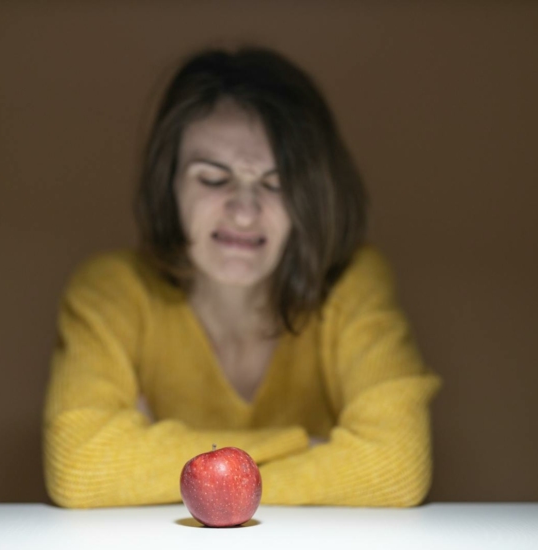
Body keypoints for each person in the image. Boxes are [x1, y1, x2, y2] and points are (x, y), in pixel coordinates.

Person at [43, 47, 441, 509]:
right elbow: (81, 466)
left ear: (310, 197)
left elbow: (395, 469)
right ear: (167, 183)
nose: (245, 211)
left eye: (276, 183)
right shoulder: (110, 290)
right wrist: (310, 447)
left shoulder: (353, 282)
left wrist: (153, 456)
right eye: (213, 178)